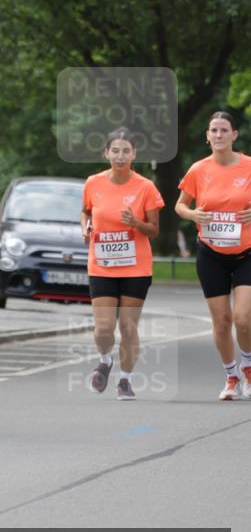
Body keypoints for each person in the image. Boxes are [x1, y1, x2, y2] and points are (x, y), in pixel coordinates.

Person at [81, 127, 164, 400]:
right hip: (102, 264)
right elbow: (86, 212)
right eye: (115, 150)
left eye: (125, 151)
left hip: (135, 266)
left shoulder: (145, 187)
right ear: (106, 153)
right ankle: (105, 360)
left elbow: (154, 230)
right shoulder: (93, 183)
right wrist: (85, 227)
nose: (120, 156)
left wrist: (135, 223)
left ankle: (125, 381)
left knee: (128, 327)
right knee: (104, 328)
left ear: (134, 154)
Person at [175, 111, 251, 400]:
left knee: (243, 318)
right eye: (214, 131)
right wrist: (193, 213)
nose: (218, 135)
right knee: (221, 321)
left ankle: (248, 367)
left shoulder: (248, 166)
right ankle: (231, 376)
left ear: (234, 135)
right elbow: (180, 206)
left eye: (224, 130)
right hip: (211, 253)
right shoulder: (198, 169)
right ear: (207, 136)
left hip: (247, 252)